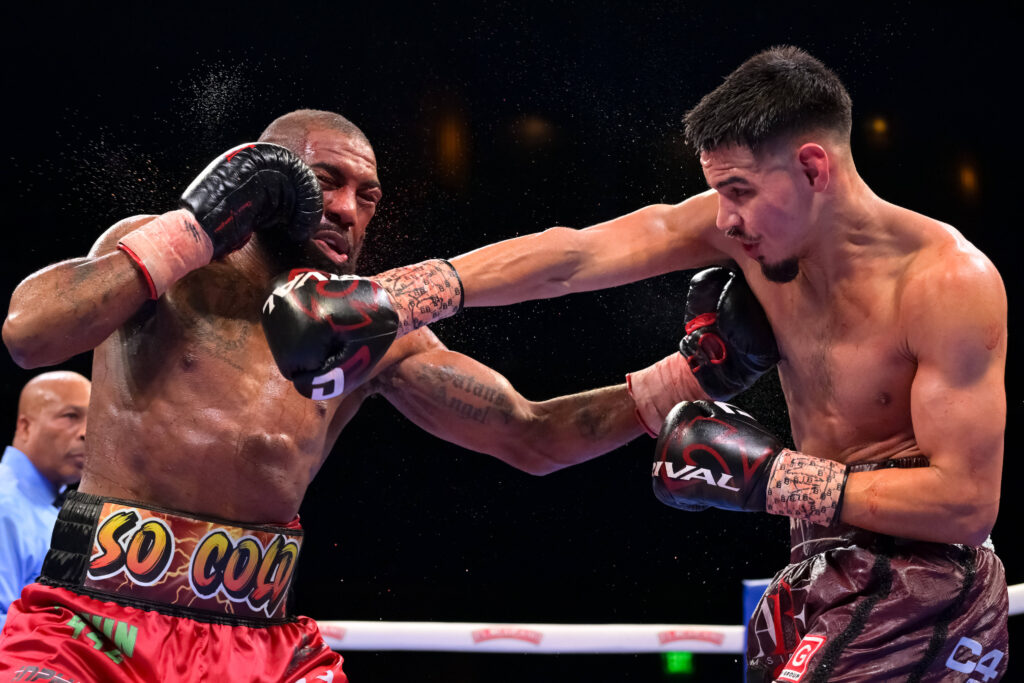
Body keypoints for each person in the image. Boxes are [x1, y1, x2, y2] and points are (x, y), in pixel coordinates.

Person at [0, 110, 694, 682]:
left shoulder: (368, 336)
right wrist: (196, 226)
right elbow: (29, 333)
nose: (346, 209)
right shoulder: (166, 264)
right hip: (93, 631)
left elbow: (532, 433)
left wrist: (695, 373)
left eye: (367, 196)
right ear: (269, 183)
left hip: (261, 647)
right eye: (327, 182)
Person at [445, 47, 1008, 681]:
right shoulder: (753, 240)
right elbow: (575, 257)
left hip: (925, 581)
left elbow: (966, 504)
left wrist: (769, 477)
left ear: (813, 168)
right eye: (717, 191)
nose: (724, 219)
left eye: (739, 190)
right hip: (819, 564)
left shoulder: (946, 282)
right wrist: (392, 297)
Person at [0, 371, 90, 631]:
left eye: (92, 421)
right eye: (70, 416)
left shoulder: (59, 508)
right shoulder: (5, 504)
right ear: (25, 427)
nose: (87, 433)